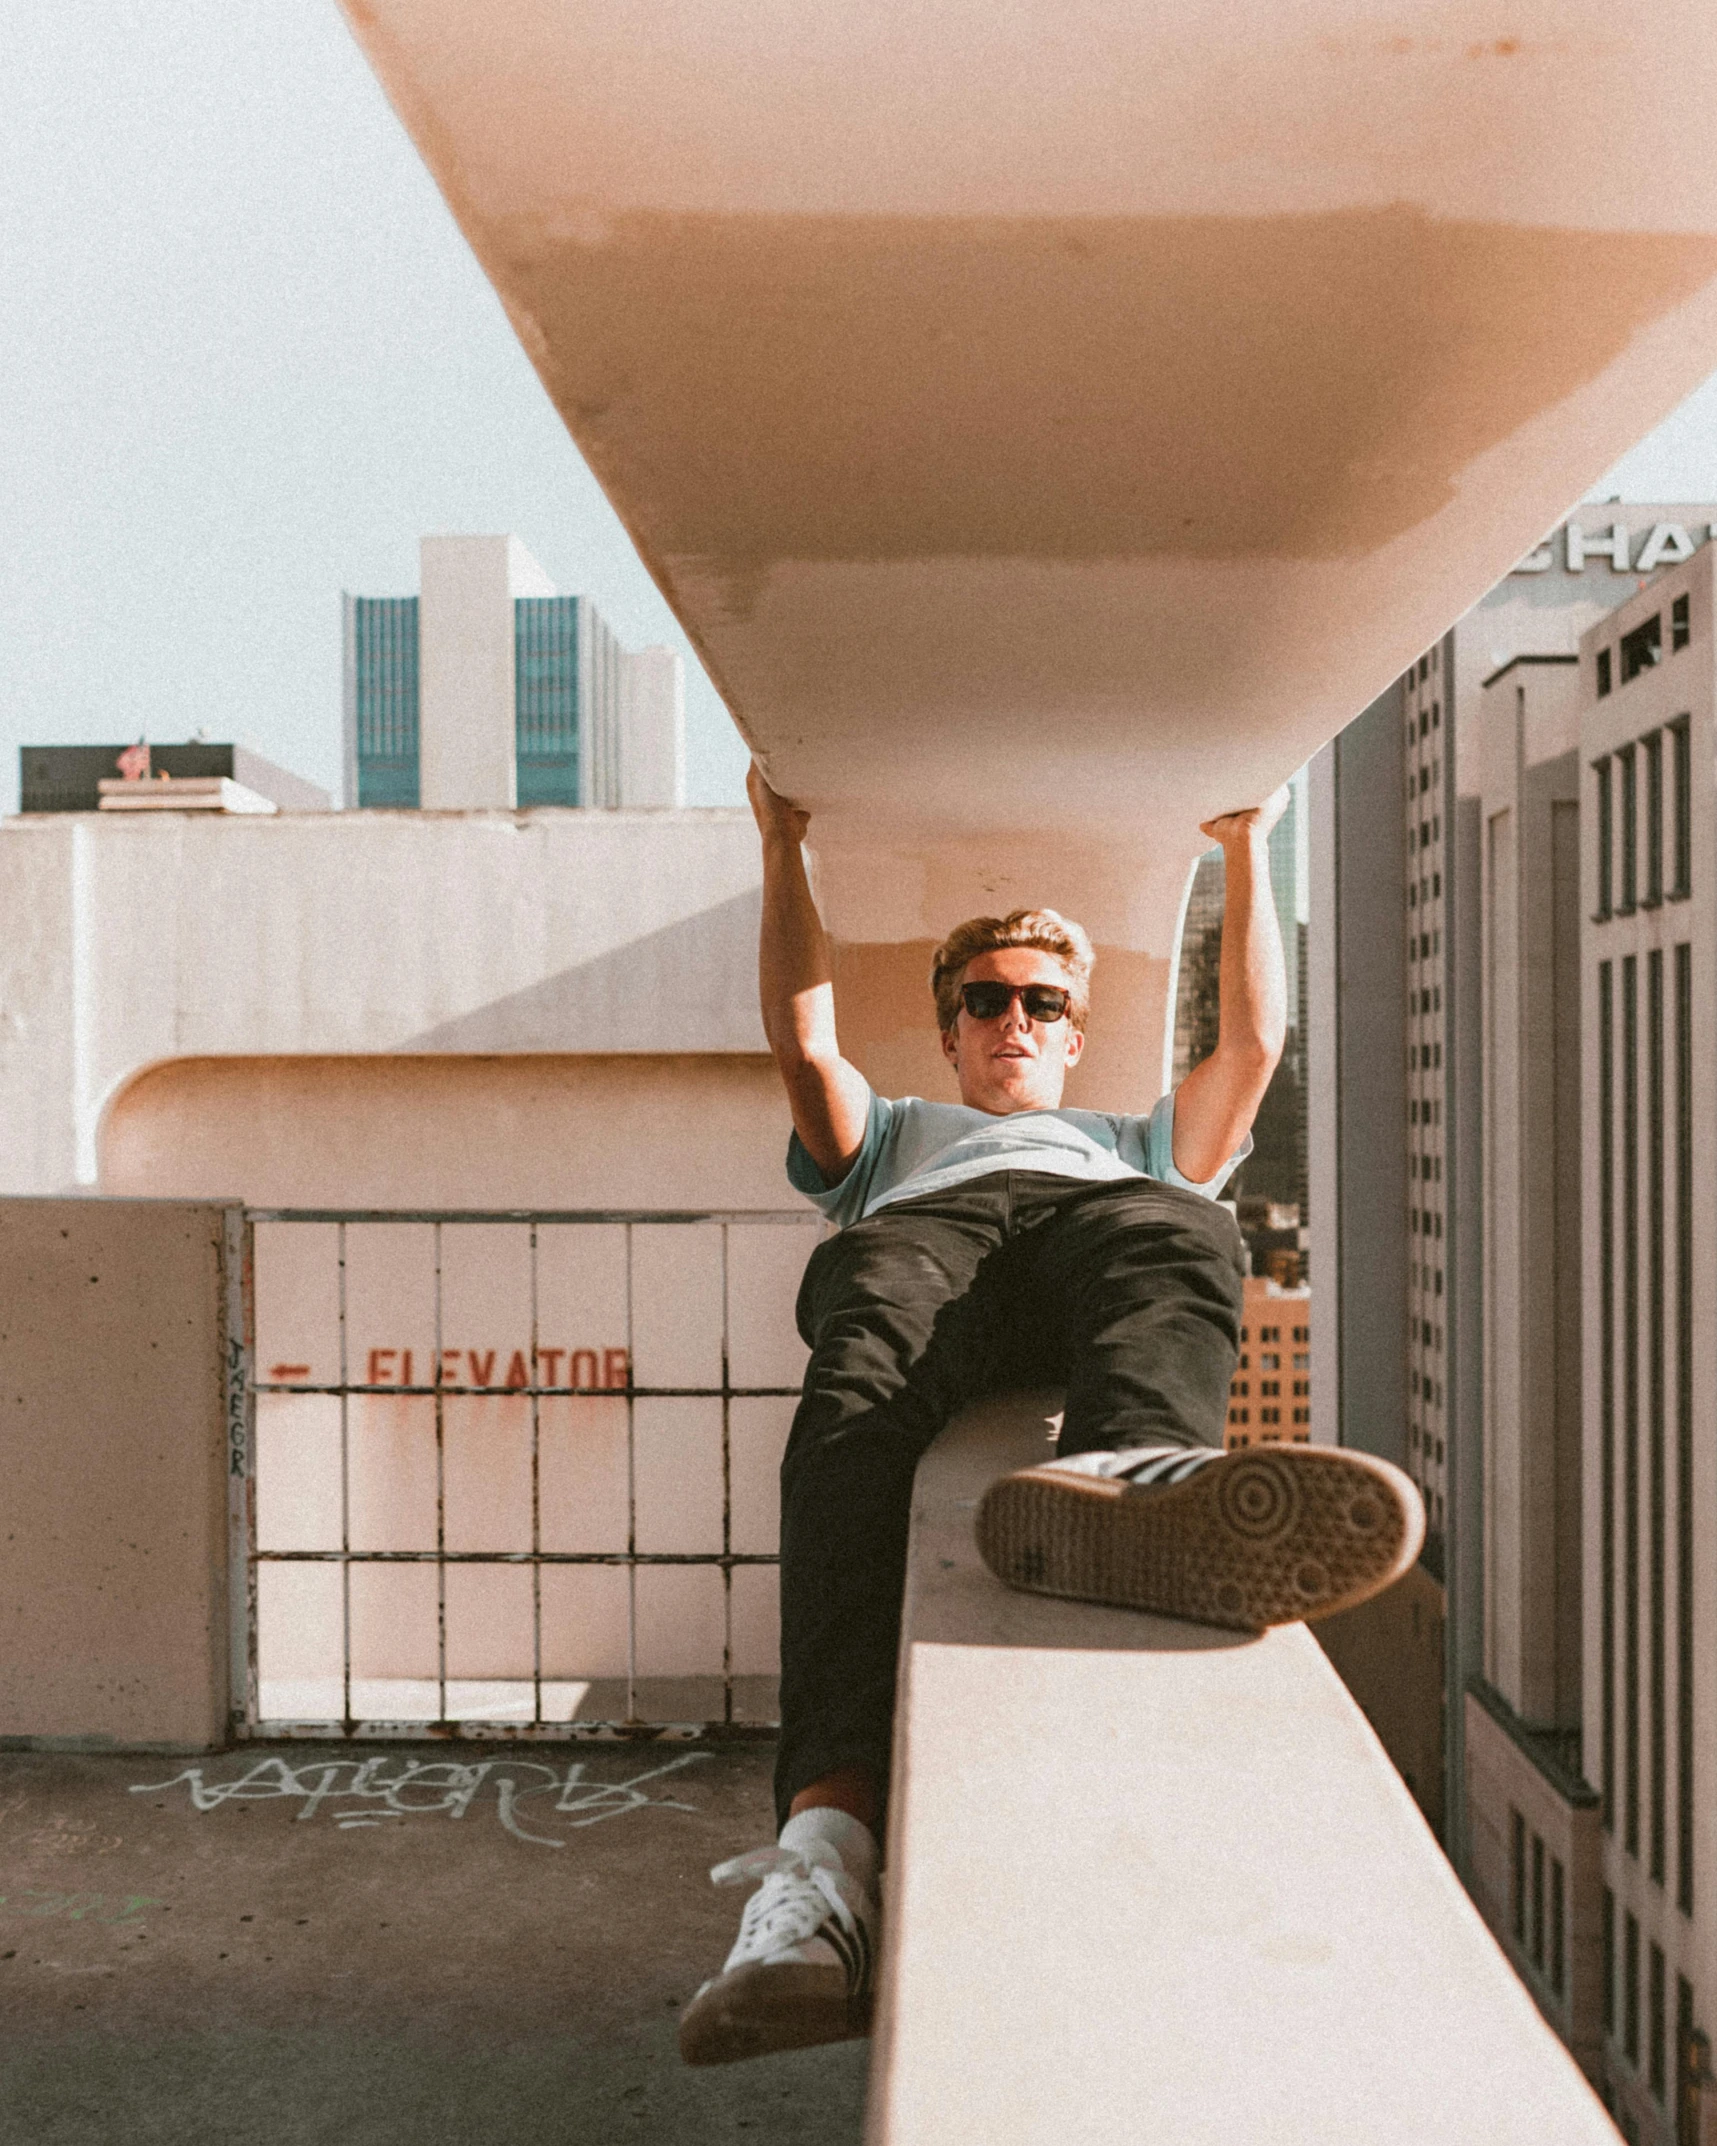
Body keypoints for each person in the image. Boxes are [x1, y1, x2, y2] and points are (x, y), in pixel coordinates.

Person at [678, 765, 1422, 2067]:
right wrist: (782, 838)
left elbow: (1249, 1051)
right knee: (854, 1393)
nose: (1014, 1016)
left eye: (1042, 1001)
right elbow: (804, 1042)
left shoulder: (1129, 1146)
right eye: (986, 1001)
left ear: (1076, 1032)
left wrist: (1252, 841)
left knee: (1186, 1221)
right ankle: (823, 1869)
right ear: (952, 1032)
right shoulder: (898, 1138)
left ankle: (1134, 1481)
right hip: (933, 1247)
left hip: (1102, 1233)